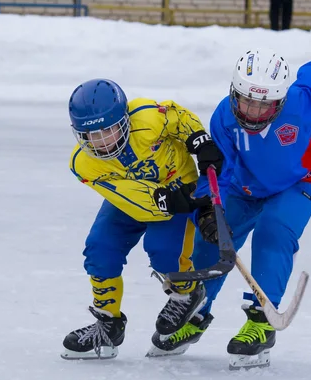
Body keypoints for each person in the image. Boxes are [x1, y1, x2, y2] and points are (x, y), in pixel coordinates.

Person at [153, 48, 311, 367]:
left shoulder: (299, 103)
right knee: (216, 234)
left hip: (301, 182)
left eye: (264, 105)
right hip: (245, 186)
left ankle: (260, 321)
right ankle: (197, 312)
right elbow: (218, 170)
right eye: (246, 100)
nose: (252, 112)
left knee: (273, 230)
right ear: (234, 92)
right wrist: (210, 209)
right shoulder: (224, 117)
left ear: (279, 102)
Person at [61, 78, 223, 360]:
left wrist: (200, 141)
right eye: (91, 135)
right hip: (135, 199)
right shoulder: (83, 163)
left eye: (108, 130)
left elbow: (178, 117)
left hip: (179, 185)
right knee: (100, 249)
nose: (101, 142)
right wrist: (170, 200)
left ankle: (187, 295)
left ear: (124, 120)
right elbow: (128, 195)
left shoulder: (148, 116)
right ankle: (108, 324)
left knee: (163, 252)